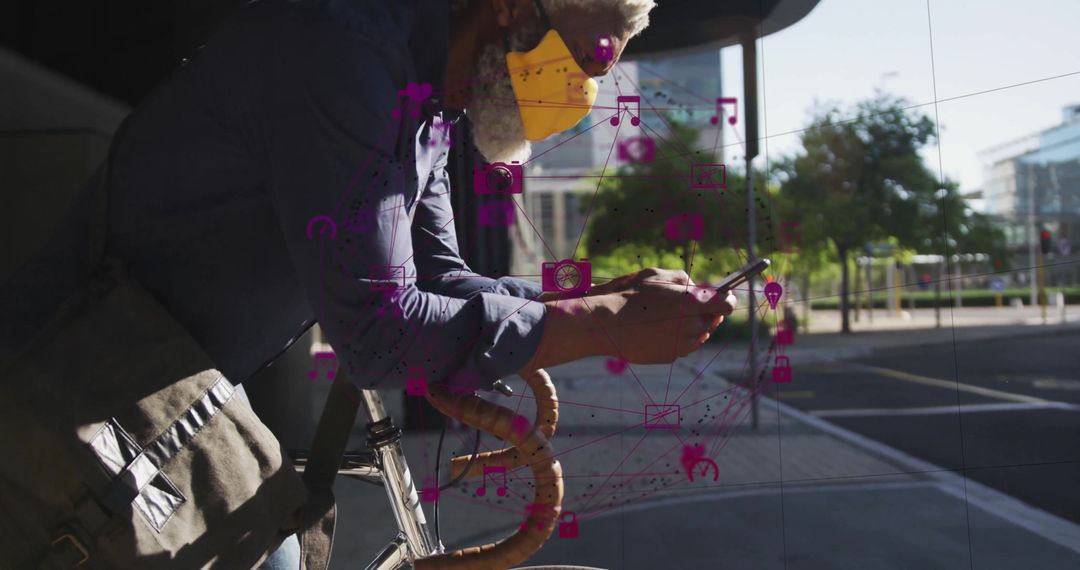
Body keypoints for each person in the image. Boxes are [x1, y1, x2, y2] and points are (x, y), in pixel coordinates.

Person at [1, 0, 736, 567]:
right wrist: (608, 323)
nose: (578, 95)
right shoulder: (340, 52)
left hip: (154, 390)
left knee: (275, 537)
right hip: (60, 393)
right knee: (271, 551)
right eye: (583, 61)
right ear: (512, 6)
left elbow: (443, 278)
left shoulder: (431, 102)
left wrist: (602, 300)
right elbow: (381, 331)